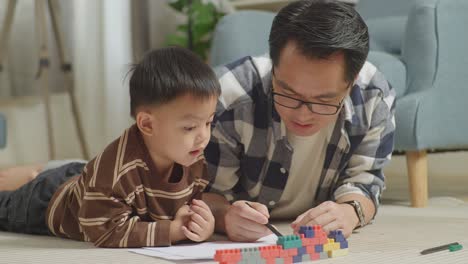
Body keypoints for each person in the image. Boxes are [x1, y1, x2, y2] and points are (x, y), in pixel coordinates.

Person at [202, 0, 396, 242]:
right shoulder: (228, 96)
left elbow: (366, 181)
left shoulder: (373, 97)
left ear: (352, 81)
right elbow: (206, 193)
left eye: (324, 100)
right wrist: (224, 217)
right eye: (288, 94)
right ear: (273, 66)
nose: (303, 114)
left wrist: (349, 212)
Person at [0, 47, 220, 248]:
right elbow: (105, 231)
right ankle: (32, 178)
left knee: (85, 175)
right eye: (190, 127)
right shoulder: (118, 172)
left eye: (208, 123)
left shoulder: (193, 156)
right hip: (48, 202)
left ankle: (35, 173)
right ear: (147, 124)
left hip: (87, 179)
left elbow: (191, 204)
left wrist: (201, 223)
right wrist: (171, 231)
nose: (203, 136)